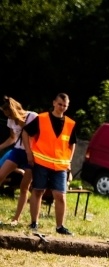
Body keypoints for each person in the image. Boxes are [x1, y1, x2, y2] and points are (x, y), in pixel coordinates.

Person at [21, 93, 77, 234]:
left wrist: (69, 161)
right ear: (54, 103)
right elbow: (25, 132)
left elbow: (72, 144)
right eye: (60, 104)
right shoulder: (42, 118)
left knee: (60, 196)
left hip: (60, 166)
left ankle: (60, 227)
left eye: (65, 105)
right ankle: (34, 223)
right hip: (41, 162)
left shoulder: (70, 123)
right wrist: (28, 152)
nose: (62, 107)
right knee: (38, 191)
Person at [0, 97, 37, 225]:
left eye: (9, 115)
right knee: (0, 176)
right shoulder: (10, 120)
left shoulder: (32, 116)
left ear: (14, 111)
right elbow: (12, 138)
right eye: (7, 116)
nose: (8, 118)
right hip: (17, 151)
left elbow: (38, 136)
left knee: (24, 187)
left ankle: (16, 218)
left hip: (31, 154)